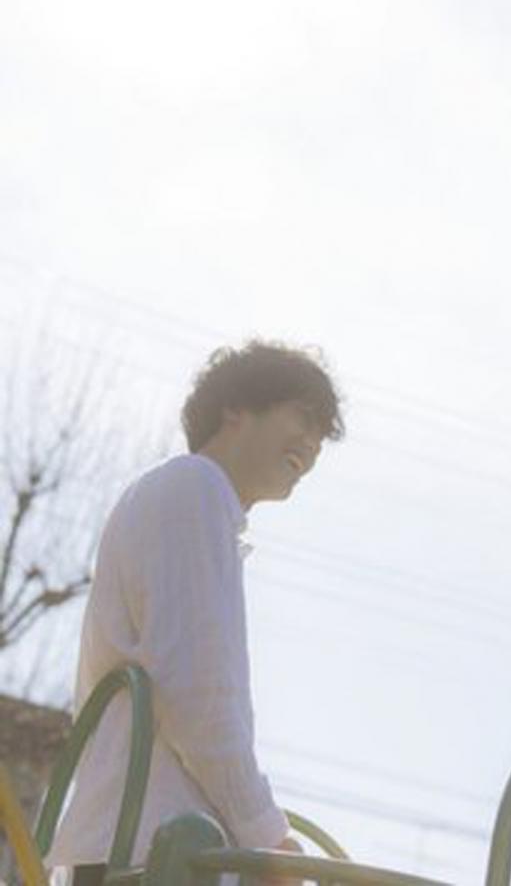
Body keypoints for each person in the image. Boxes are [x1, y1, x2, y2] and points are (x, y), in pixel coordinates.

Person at [47, 341, 344, 886]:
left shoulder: (188, 503)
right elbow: (195, 690)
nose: (312, 444)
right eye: (303, 417)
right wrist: (265, 834)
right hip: (154, 847)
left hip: (139, 841)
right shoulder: (195, 486)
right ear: (236, 408)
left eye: (322, 436)